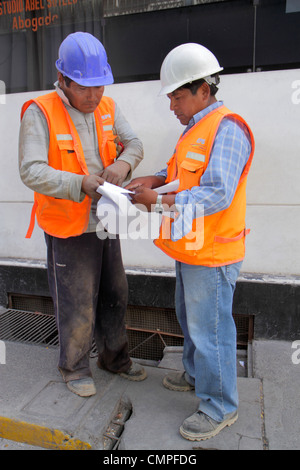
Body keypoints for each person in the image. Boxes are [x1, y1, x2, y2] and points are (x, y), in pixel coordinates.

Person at [127, 43, 255, 441]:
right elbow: (183, 173)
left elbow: (217, 191)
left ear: (204, 89)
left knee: (211, 329)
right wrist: (154, 179)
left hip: (213, 252)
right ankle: (198, 375)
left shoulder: (228, 128)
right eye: (171, 97)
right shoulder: (195, 129)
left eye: (177, 97)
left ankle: (219, 407)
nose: (172, 106)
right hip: (192, 248)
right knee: (191, 320)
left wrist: (161, 201)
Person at [19, 32, 146, 397]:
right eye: (84, 88)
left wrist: (123, 165)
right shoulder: (39, 112)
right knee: (77, 299)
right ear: (63, 80)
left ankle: (114, 359)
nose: (94, 96)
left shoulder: (108, 107)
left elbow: (134, 143)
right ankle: (73, 368)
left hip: (106, 218)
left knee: (114, 291)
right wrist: (82, 183)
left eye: (99, 87)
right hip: (68, 224)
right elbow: (31, 170)